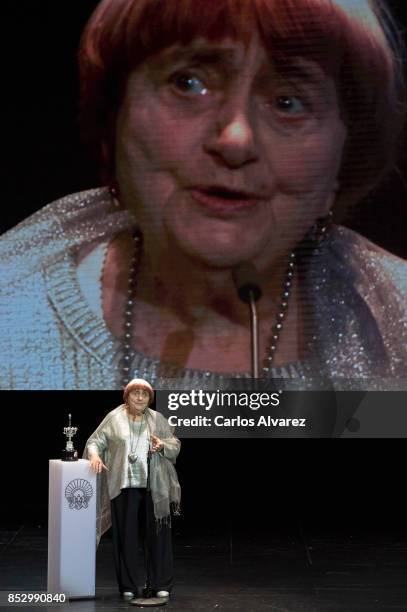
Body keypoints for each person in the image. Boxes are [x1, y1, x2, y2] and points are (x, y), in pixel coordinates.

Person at [0, 0, 406, 390]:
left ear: (344, 159)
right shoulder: (13, 315)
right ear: (113, 117)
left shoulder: (396, 325)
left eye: (288, 102)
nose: (235, 139)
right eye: (189, 83)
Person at [84, 377, 181, 601]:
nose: (140, 397)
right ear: (126, 396)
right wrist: (96, 455)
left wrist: (162, 445)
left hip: (153, 487)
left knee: (158, 536)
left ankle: (160, 584)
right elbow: (95, 441)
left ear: (149, 398)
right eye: (135, 393)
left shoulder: (157, 419)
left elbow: (175, 445)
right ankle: (128, 585)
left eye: (145, 394)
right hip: (124, 484)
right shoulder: (114, 418)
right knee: (125, 537)